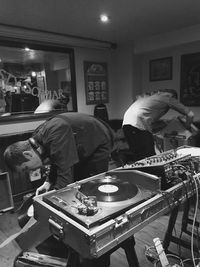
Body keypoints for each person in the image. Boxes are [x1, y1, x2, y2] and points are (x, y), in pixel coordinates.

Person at [4, 112, 114, 267]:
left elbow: (65, 178)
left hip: (98, 141)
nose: (30, 171)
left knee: (91, 190)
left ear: (27, 154)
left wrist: (47, 207)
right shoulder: (36, 139)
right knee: (72, 195)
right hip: (80, 144)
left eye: (26, 168)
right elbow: (56, 159)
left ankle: (98, 253)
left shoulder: (57, 133)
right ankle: (75, 249)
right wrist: (48, 182)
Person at [122, 89, 195, 162]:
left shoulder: (149, 99)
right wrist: (187, 128)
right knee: (150, 159)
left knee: (139, 158)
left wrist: (165, 123)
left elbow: (149, 122)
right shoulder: (168, 98)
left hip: (126, 125)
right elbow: (190, 114)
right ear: (173, 96)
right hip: (138, 125)